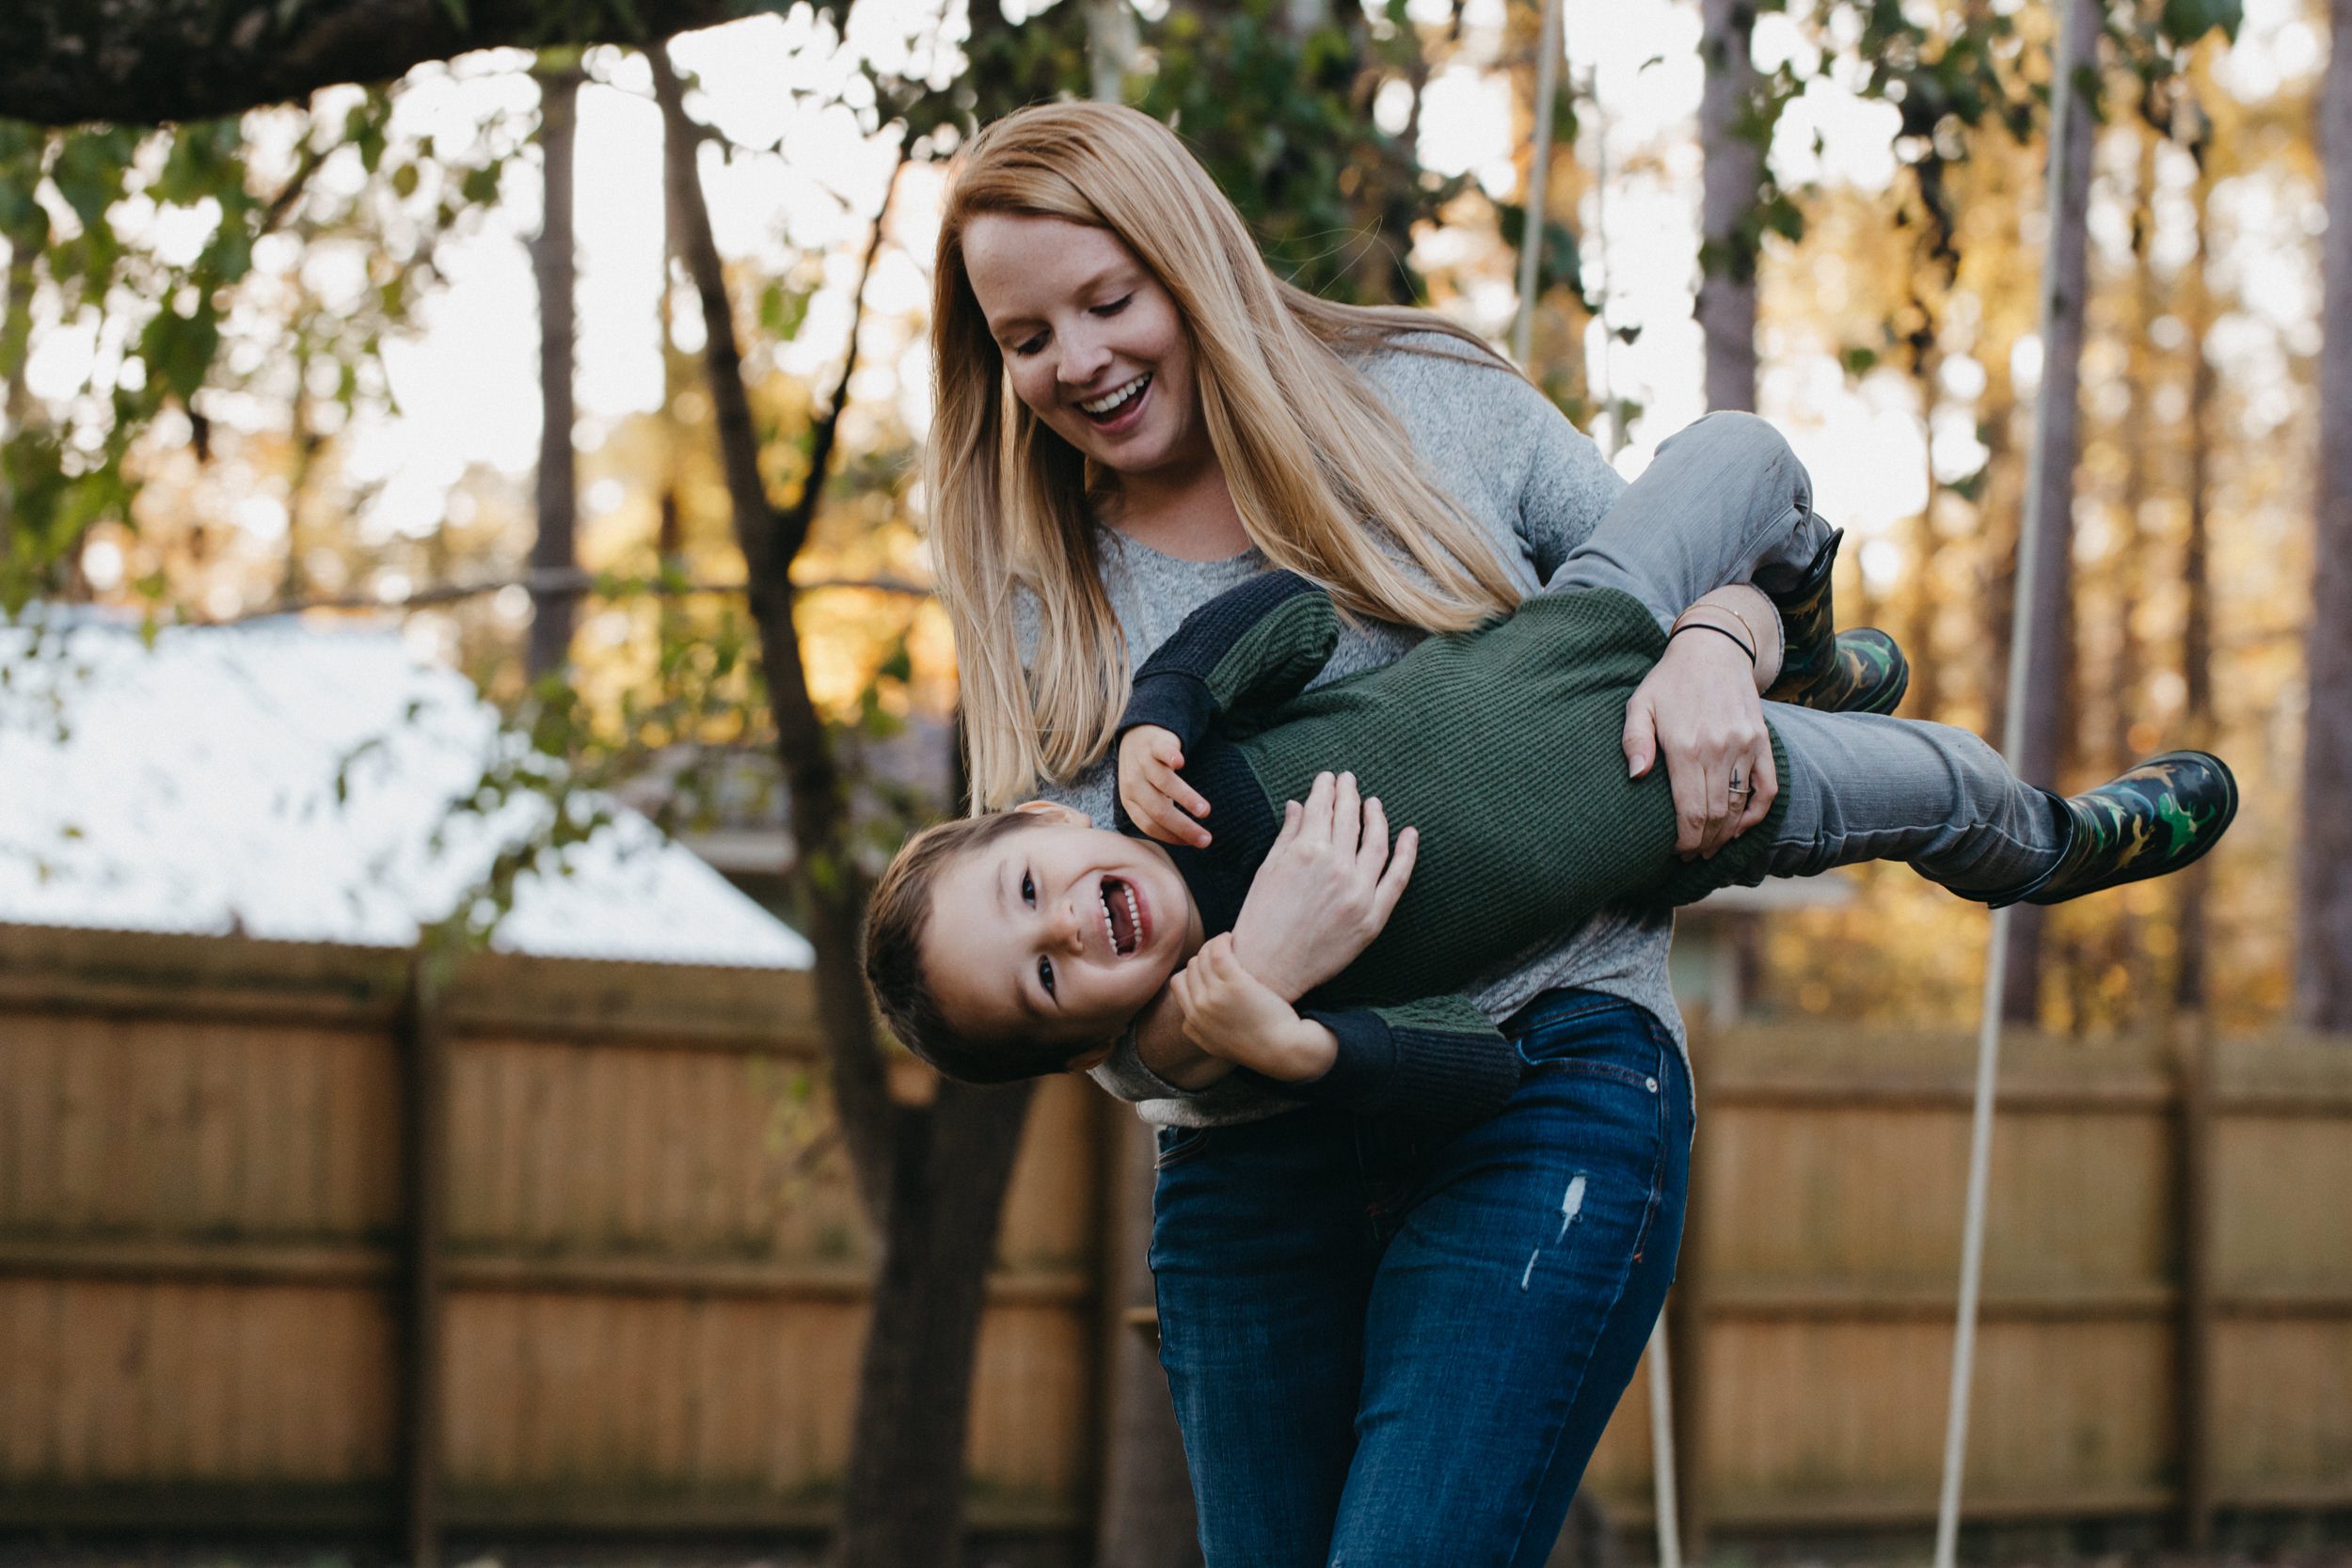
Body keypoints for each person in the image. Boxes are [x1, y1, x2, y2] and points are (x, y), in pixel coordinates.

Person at [923, 97, 1944, 1567]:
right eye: (1026, 340)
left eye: (1108, 299)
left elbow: (1675, 569)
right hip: (1252, 1162)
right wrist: (1252, 979)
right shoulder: (1041, 594)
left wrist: (1727, 638)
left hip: (1542, 1064)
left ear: (1188, 260)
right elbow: (1089, 1018)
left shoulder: (1428, 396)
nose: (1078, 362)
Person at [867, 420, 2236, 1111]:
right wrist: (1295, 1041)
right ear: (1083, 1040)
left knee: (1746, 453)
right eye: (1045, 973)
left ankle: (1790, 639)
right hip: (1699, 807)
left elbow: (1286, 613)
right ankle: (2053, 843)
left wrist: (1169, 701)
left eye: (1030, 884)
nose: (1064, 922)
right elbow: (1478, 1065)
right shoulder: (1257, 992)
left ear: (1048, 819)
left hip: (1593, 617)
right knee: (1943, 785)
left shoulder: (1176, 781)